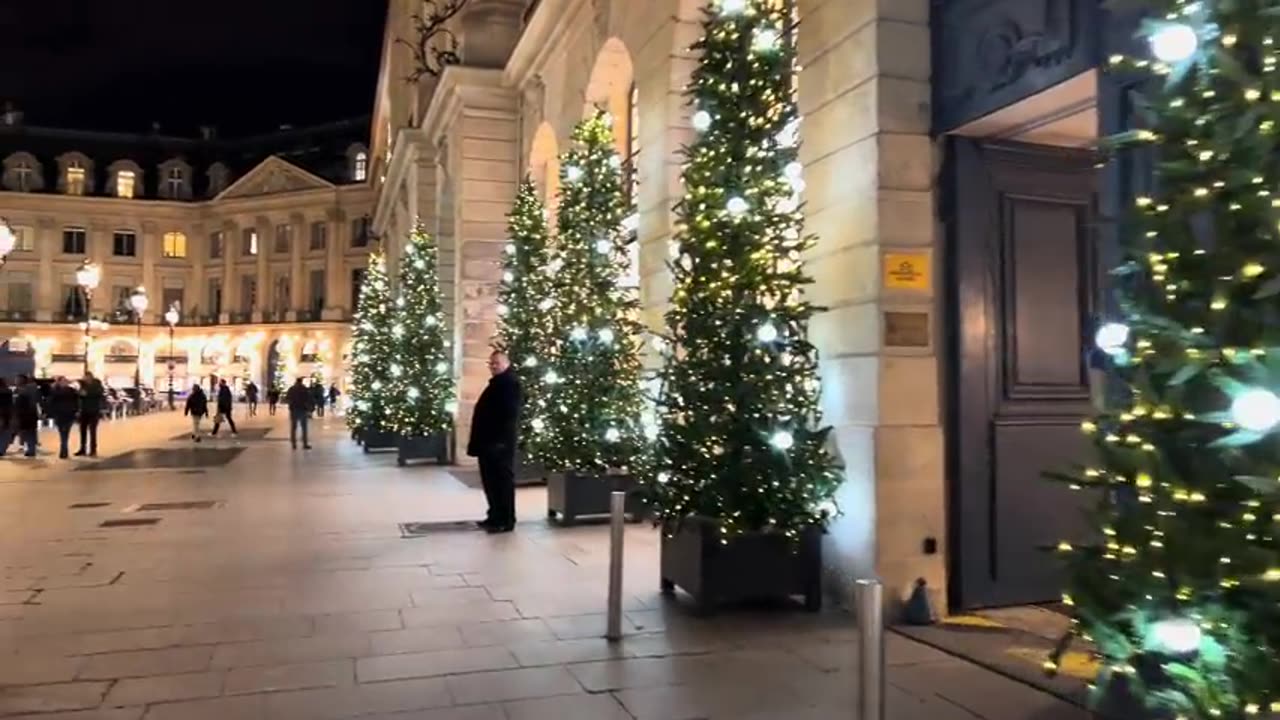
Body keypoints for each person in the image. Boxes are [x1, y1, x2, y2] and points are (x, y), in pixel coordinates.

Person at [467, 351, 522, 534]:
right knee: (490, 483)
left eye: (497, 362)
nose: (493, 365)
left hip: (499, 444)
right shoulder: (498, 383)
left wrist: (498, 442)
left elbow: (508, 416)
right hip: (489, 444)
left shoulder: (510, 383)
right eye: (491, 363)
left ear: (506, 363)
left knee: (501, 483)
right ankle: (494, 515)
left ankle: (505, 520)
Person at [47, 377, 80, 459]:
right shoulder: (70, 391)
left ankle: (63, 450)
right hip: (62, 414)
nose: (64, 383)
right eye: (62, 381)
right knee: (63, 433)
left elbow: (51, 402)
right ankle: (64, 450)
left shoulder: (56, 391)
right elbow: (51, 402)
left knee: (64, 433)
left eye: (65, 381)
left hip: (66, 414)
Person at [76, 372, 105, 457]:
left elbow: (99, 393)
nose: (85, 379)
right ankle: (82, 449)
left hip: (94, 411)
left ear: (90, 377)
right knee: (82, 430)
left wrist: (87, 393)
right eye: (84, 377)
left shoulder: (97, 384)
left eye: (86, 377)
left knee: (92, 431)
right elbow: (80, 395)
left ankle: (93, 450)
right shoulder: (83, 385)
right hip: (84, 411)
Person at [13, 374, 40, 458]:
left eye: (17, 379)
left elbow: (19, 404)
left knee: (28, 432)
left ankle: (30, 450)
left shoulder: (22, 391)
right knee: (29, 432)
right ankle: (31, 449)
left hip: (25, 415)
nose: (15, 381)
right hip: (30, 414)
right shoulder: (30, 390)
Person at [285, 378, 313, 450]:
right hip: (303, 410)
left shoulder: (291, 389)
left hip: (294, 410)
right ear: (301, 382)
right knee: (304, 428)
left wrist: (291, 404)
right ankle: (305, 444)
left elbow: (287, 399)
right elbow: (309, 399)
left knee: (293, 427)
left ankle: (294, 444)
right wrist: (309, 410)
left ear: (296, 382)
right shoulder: (305, 389)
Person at [0, 378, 12, 456]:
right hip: (6, 413)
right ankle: (1, 449)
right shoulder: (8, 391)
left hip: (3, 413)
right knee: (5, 431)